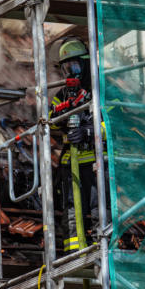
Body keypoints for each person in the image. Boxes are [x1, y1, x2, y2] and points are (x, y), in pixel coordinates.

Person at [50, 38, 99, 253]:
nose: (71, 73)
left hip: (98, 163)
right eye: (66, 68)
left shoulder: (100, 91)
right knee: (71, 210)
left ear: (86, 64)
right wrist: (63, 113)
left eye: (76, 66)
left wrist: (89, 131)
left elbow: (114, 124)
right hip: (72, 164)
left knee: (100, 209)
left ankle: (101, 247)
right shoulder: (61, 96)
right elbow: (49, 125)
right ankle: (74, 251)